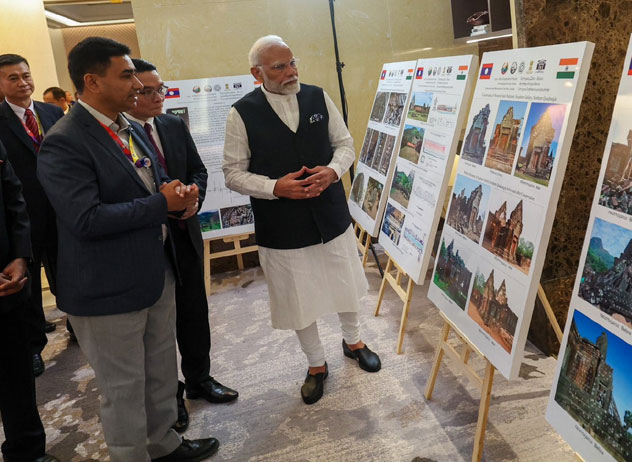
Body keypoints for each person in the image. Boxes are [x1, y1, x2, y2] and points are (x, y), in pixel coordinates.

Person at [36, 37, 219, 461]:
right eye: (126, 75)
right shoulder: (65, 141)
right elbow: (86, 218)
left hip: (156, 272)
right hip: (107, 289)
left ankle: (163, 443)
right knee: (123, 389)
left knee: (158, 374)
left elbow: (145, 185)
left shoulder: (129, 127)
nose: (137, 83)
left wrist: (176, 198)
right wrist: (161, 204)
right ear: (92, 82)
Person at [223, 35, 381, 405]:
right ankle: (315, 364)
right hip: (281, 223)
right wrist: (275, 187)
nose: (291, 71)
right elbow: (232, 173)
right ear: (256, 73)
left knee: (345, 281)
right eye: (280, 66)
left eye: (293, 62)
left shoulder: (317, 96)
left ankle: (354, 341)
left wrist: (332, 170)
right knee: (297, 298)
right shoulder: (241, 113)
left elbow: (345, 143)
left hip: (330, 213)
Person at [126, 58, 239, 434]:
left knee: (193, 310)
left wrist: (194, 197)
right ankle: (169, 396)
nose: (159, 96)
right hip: (146, 241)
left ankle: (199, 379)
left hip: (184, 231)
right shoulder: (120, 136)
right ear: (129, 92)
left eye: (161, 88)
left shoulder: (172, 124)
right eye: (147, 91)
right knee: (157, 327)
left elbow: (197, 170)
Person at [0, 54, 63, 377]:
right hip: (24, 214)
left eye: (25, 75)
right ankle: (34, 345)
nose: (23, 82)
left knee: (66, 270)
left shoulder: (54, 112)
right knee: (29, 286)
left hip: (62, 208)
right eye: (13, 78)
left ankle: (79, 326)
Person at [0, 139, 59, 462]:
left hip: (9, 281)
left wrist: (22, 255)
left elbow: (13, 197)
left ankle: (27, 451)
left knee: (16, 373)